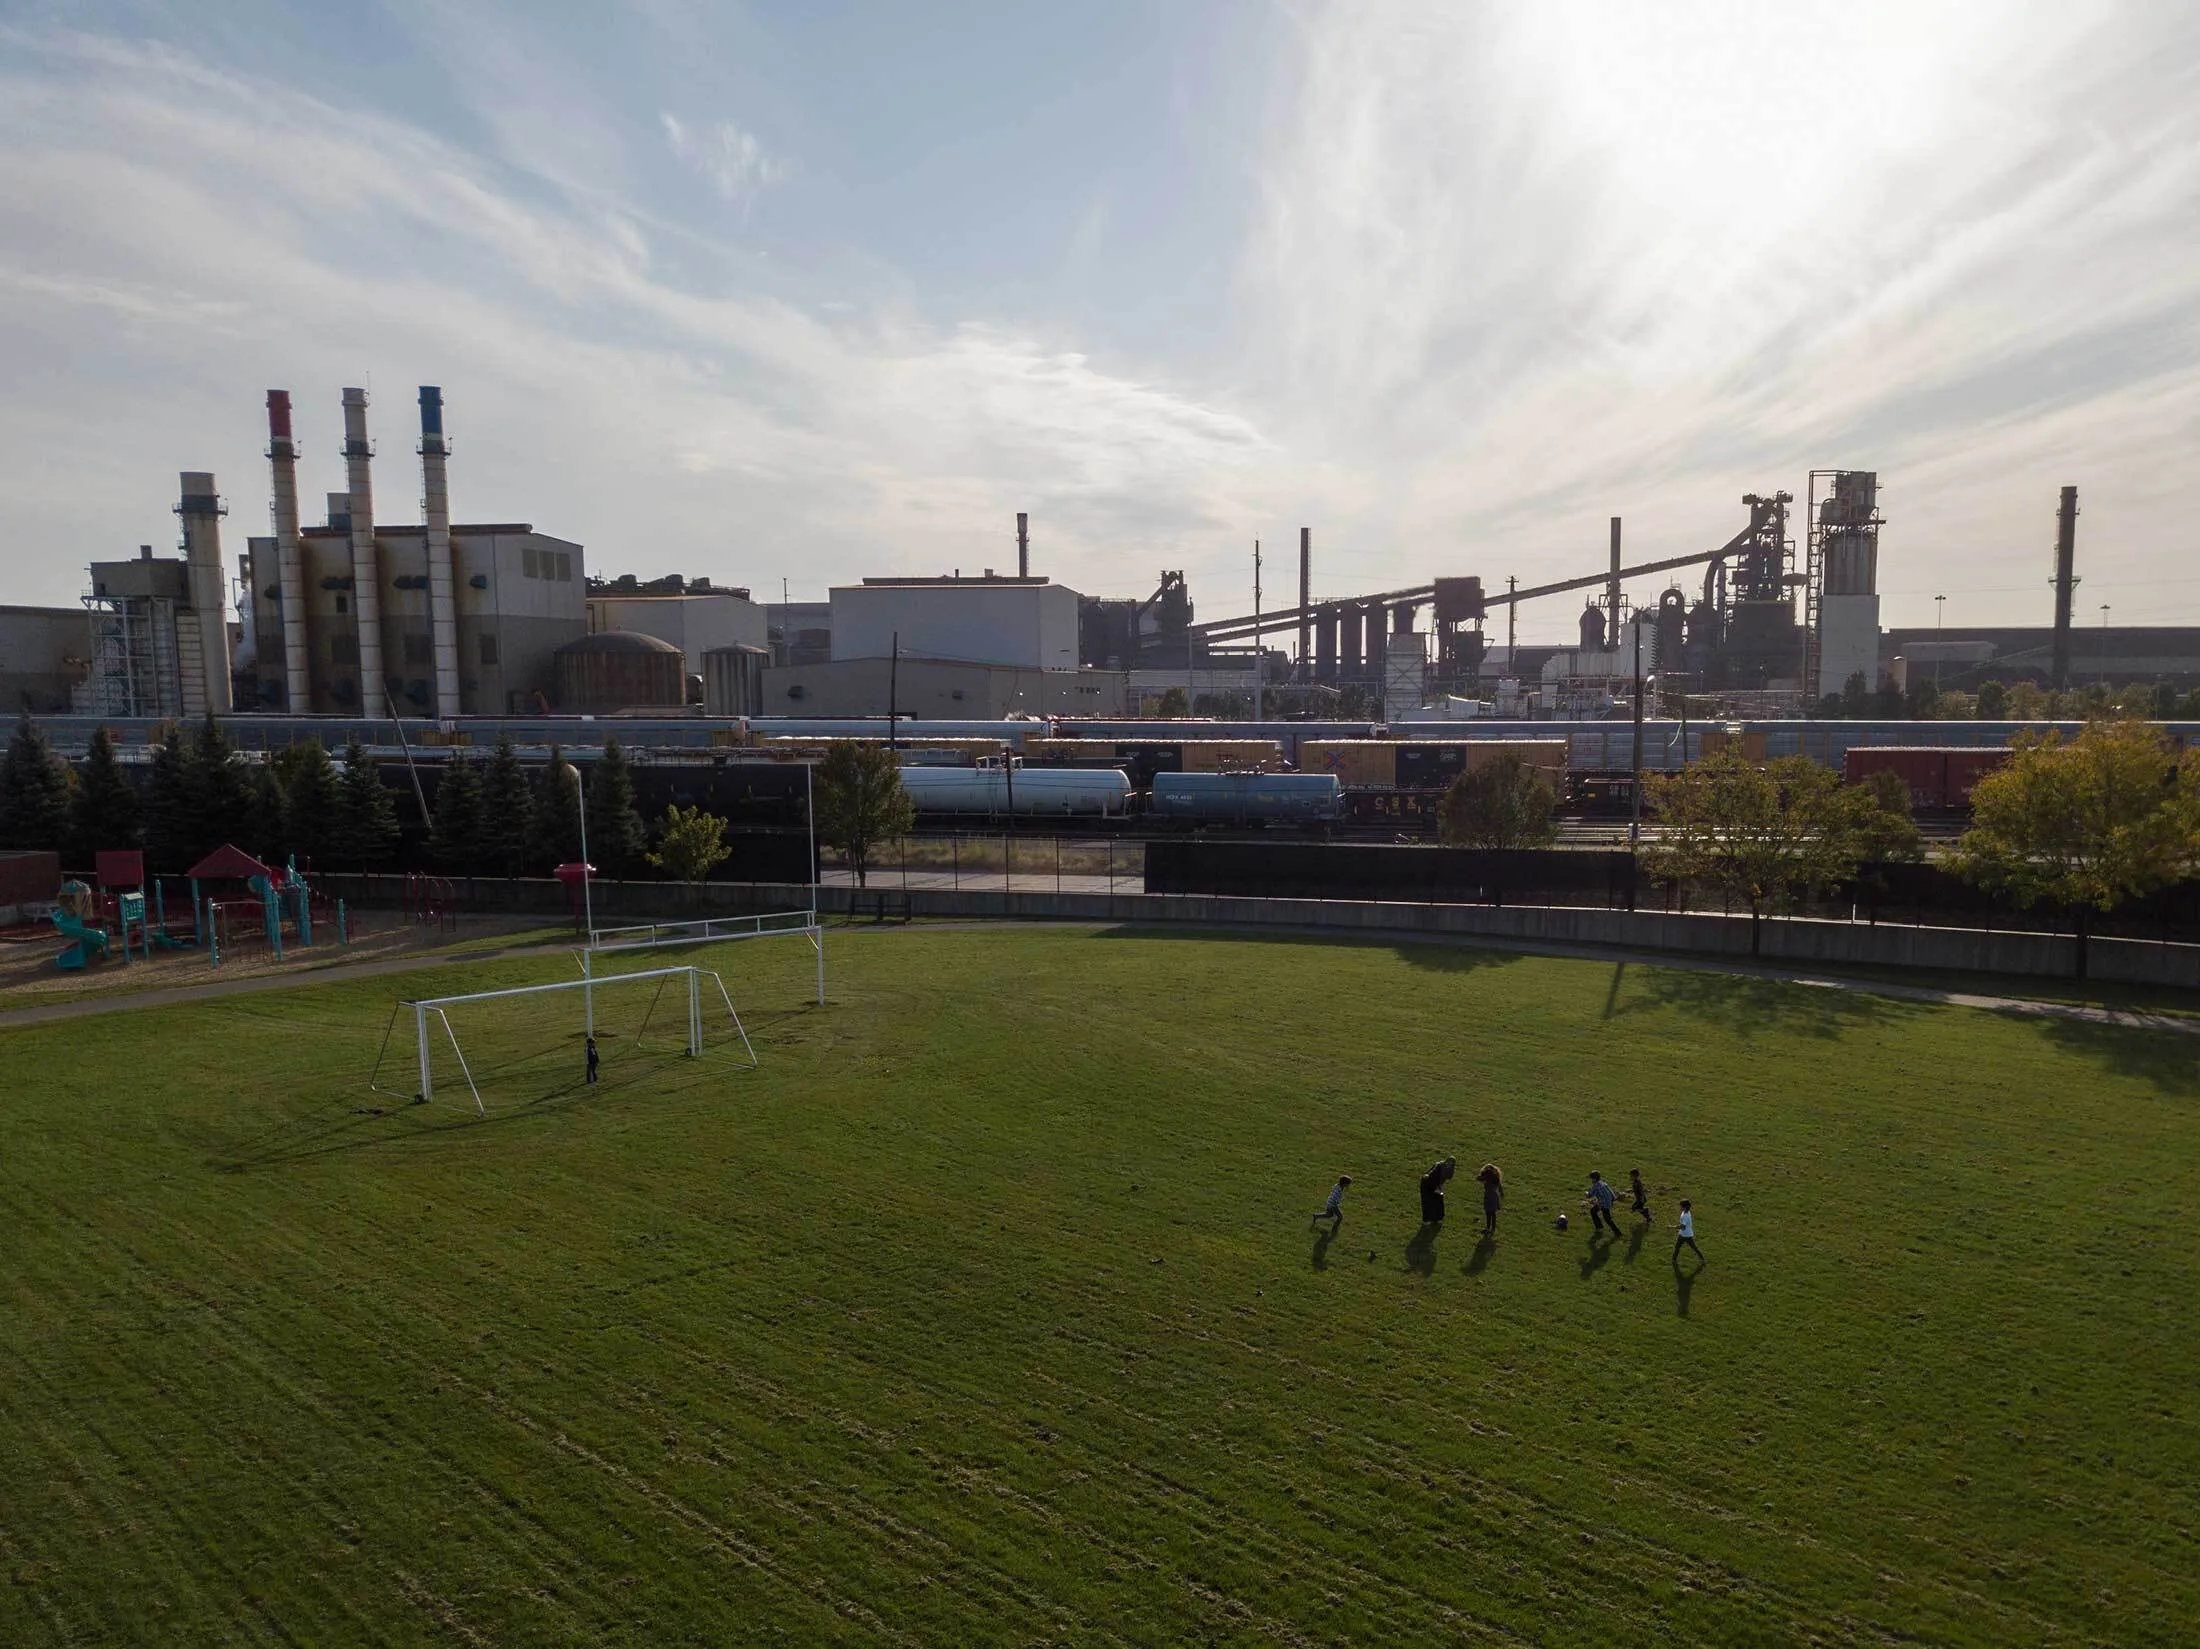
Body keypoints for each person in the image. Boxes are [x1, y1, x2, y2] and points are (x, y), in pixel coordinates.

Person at [1419, 1157, 1456, 1224]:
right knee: (1427, 1202)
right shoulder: (1439, 1166)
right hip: (1427, 1184)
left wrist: (1439, 1187)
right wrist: (1435, 1188)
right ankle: (1426, 1220)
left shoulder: (1449, 1170)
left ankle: (1438, 1218)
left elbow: (1444, 1179)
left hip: (1436, 1184)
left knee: (1439, 1201)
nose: (1449, 1164)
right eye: (1448, 1162)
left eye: (1451, 1163)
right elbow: (1431, 1174)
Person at [1586, 1171, 1620, 1236]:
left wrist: (1586, 1193)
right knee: (1593, 1211)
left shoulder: (1595, 1186)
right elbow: (1612, 1193)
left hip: (1604, 1205)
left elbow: (1589, 1195)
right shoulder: (1604, 1183)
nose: (1591, 1180)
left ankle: (1617, 1233)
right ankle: (1599, 1226)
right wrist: (1612, 1200)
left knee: (1607, 1219)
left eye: (1592, 1178)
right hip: (1608, 1202)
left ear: (1595, 1179)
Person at [1476, 1163, 1503, 1236]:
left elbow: (1478, 1178)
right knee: (1493, 1213)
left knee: (1488, 1213)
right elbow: (1500, 1187)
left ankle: (1488, 1228)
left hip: (1488, 1196)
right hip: (1494, 1196)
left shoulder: (1487, 1177)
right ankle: (1492, 1228)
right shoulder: (1495, 1177)